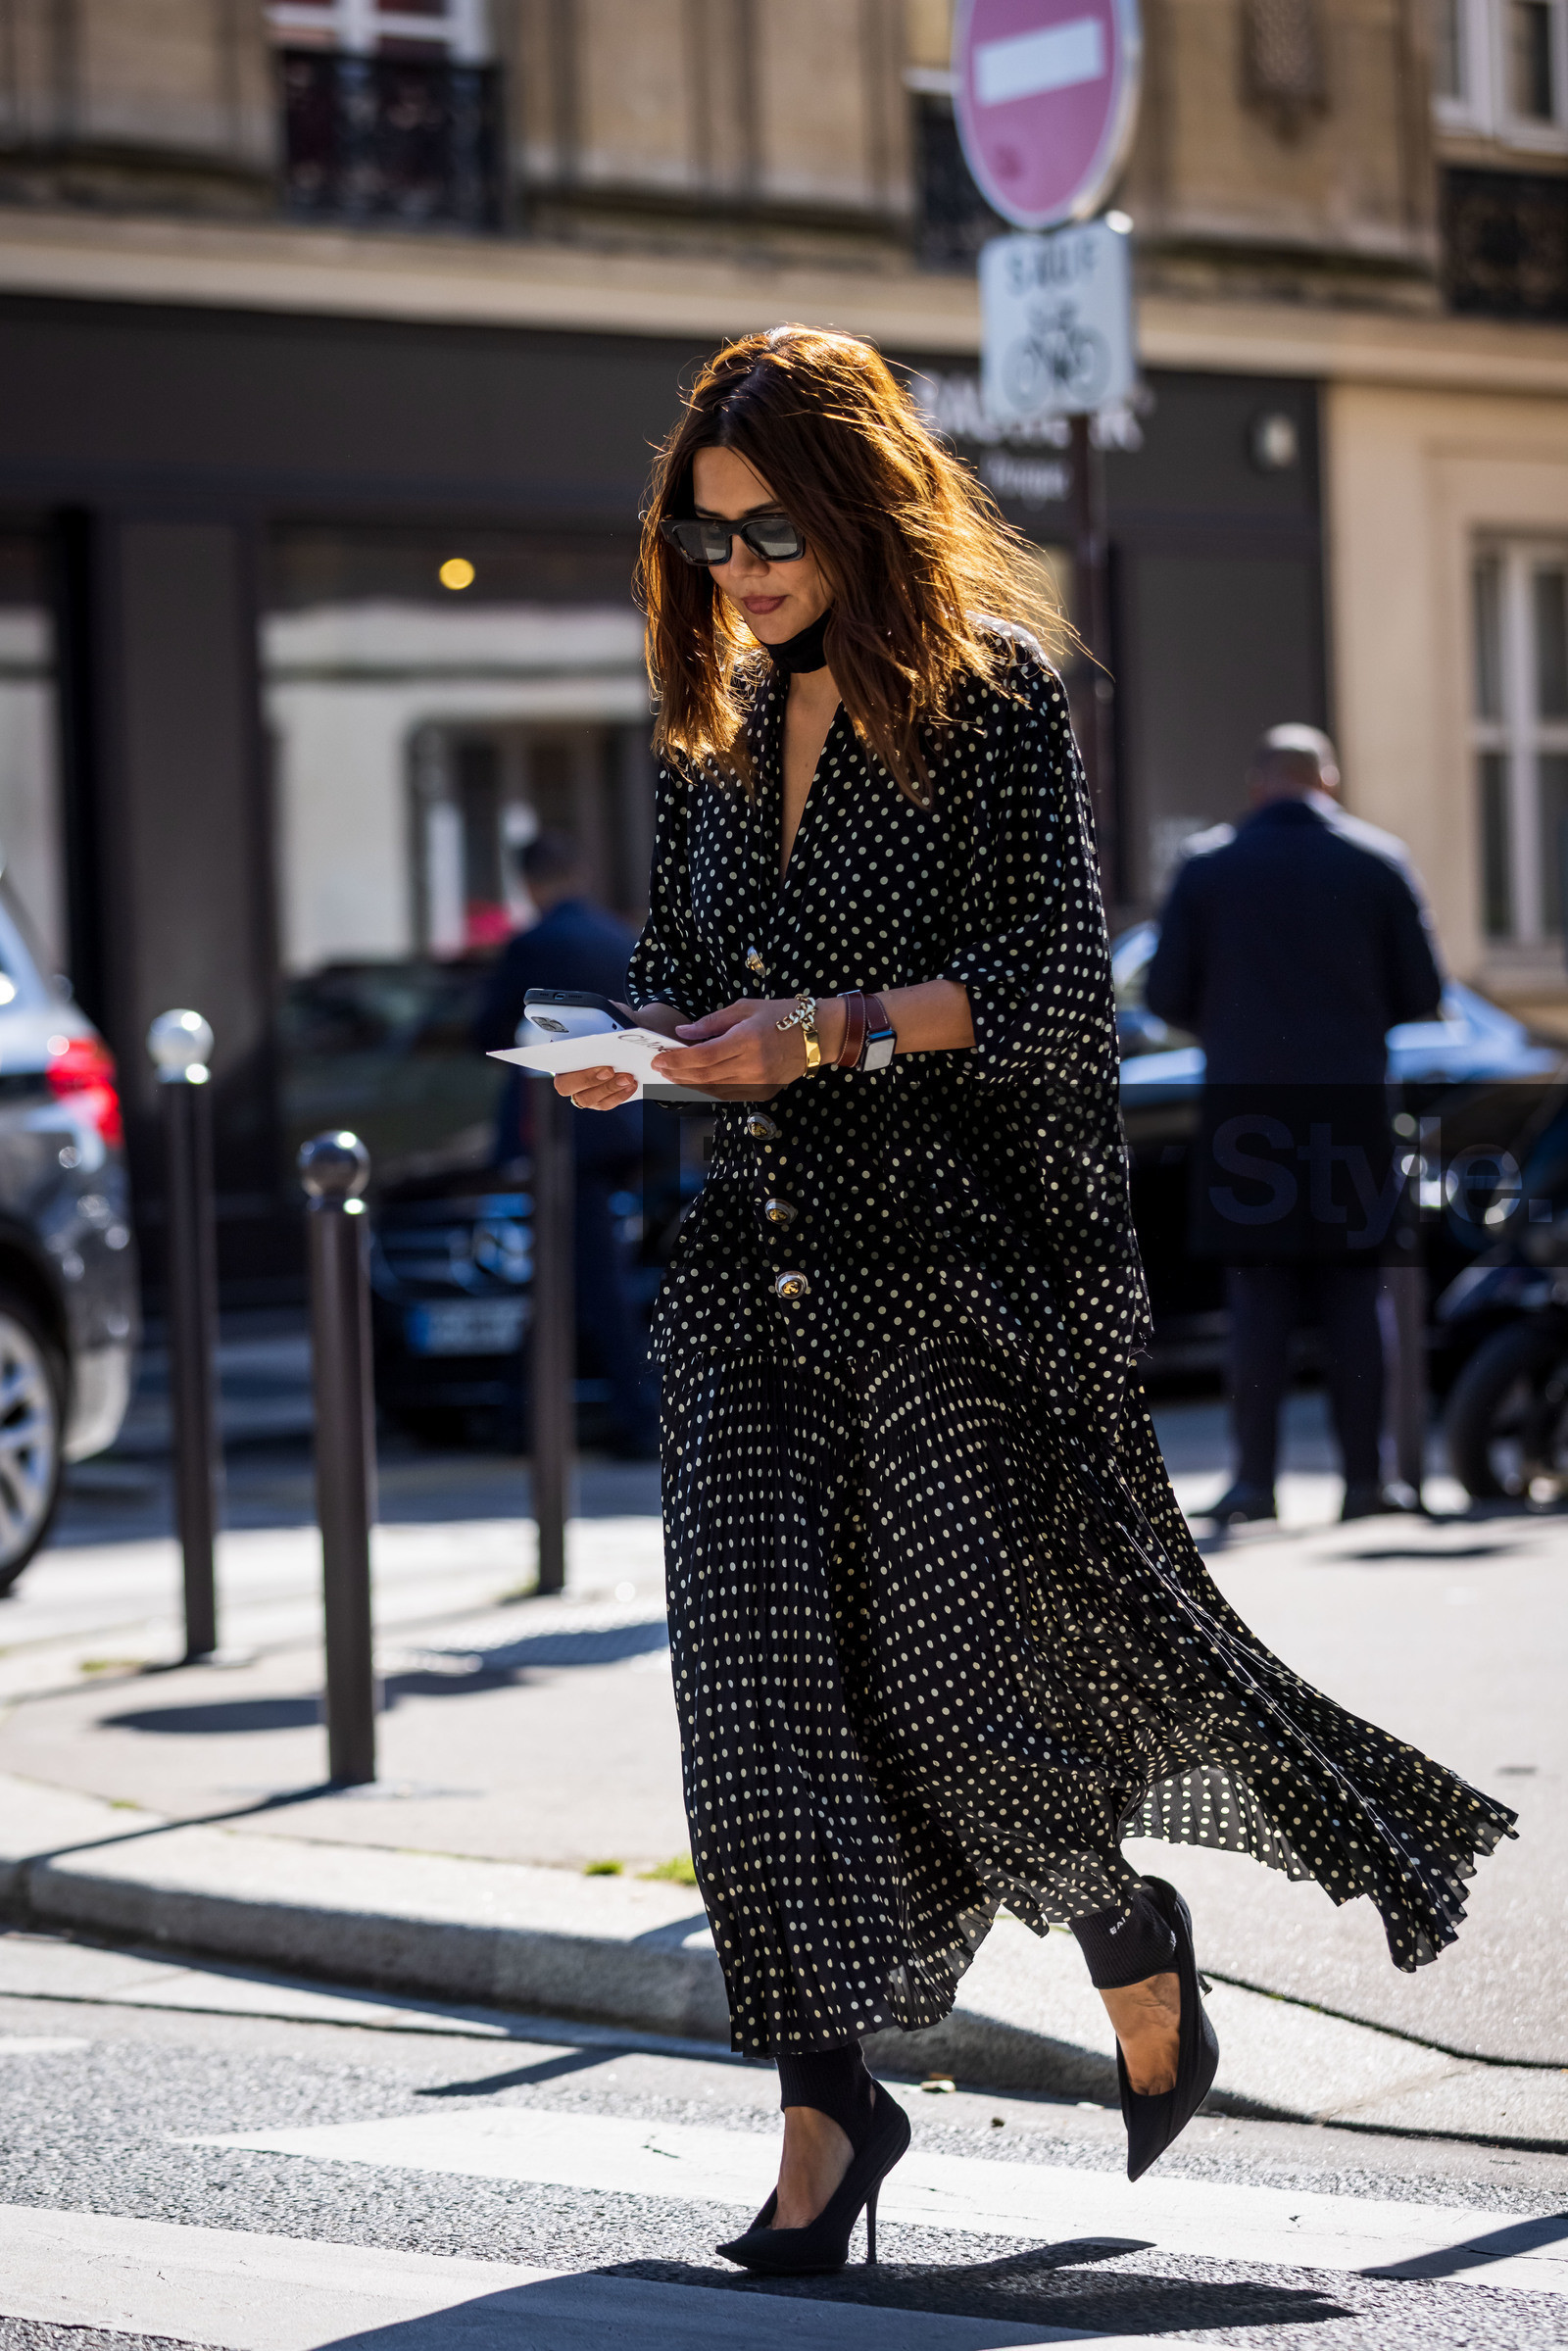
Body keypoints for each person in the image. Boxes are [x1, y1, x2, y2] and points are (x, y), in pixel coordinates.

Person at [553, 329, 1513, 2276]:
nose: (733, 567)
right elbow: (672, 969)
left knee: (959, 1699)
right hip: (741, 1271)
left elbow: (1062, 986)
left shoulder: (980, 706)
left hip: (937, 1273)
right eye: (701, 533)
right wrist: (629, 1046)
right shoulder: (716, 729)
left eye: (764, 528)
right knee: (749, 1715)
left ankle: (1125, 1930)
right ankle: (825, 2110)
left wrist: (817, 1030)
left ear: (848, 505)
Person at [1145, 725, 1444, 1524]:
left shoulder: (1209, 868)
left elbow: (1166, 995)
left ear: (1255, 786)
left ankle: (1254, 1482)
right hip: (1350, 1105)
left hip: (1247, 1109)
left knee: (1257, 1301)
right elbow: (1422, 991)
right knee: (1355, 1295)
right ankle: (1366, 1480)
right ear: (1330, 781)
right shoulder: (1377, 861)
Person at [474, 833, 657, 1458]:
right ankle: (516, 1417)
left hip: (554, 1129)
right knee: (562, 1272)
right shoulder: (615, 936)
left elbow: (492, 1031)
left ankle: (639, 1418)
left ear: (527, 884)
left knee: (588, 1278)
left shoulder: (533, 945)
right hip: (618, 1121)